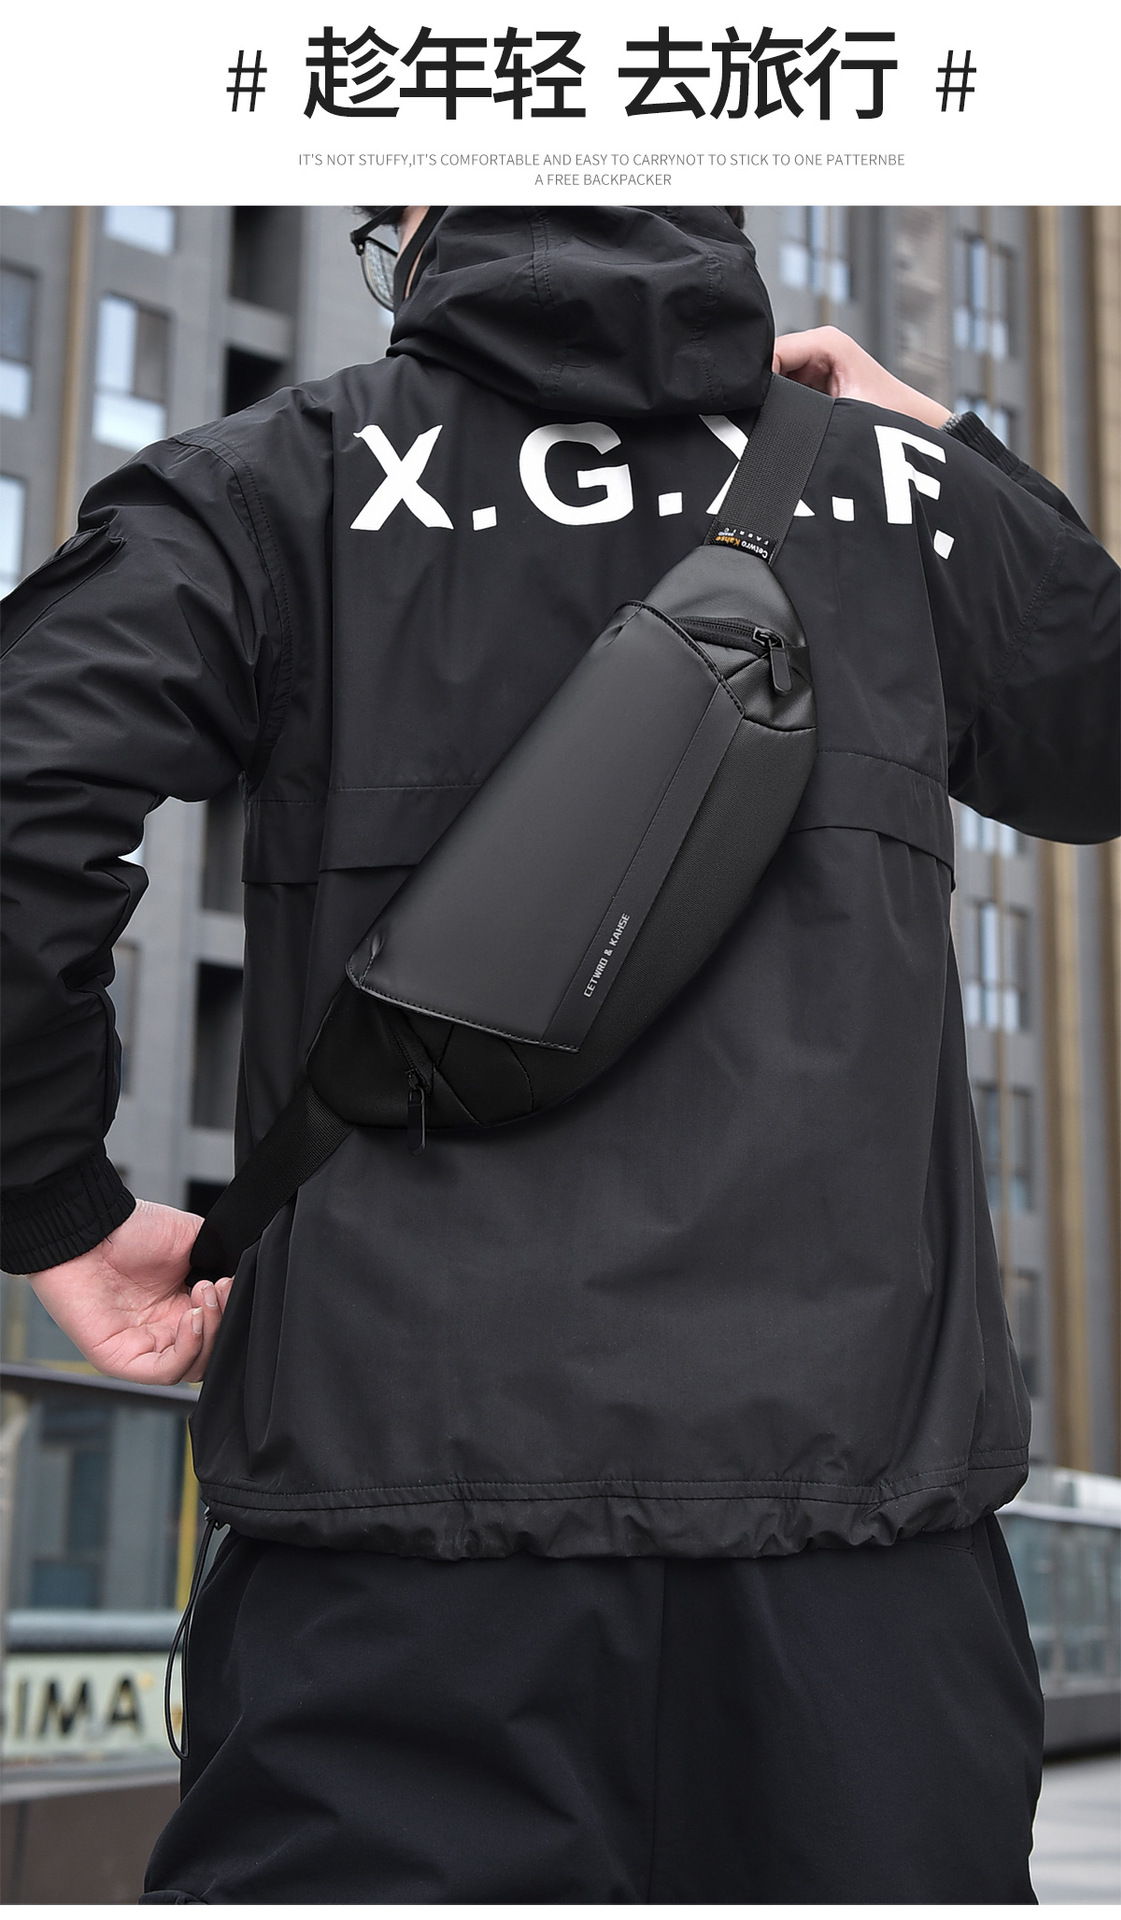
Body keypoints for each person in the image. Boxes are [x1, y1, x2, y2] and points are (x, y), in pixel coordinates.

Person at [2, 206, 1116, 1903]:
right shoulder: (892, 490)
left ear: (422, 217)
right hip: (857, 1572)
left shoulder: (275, 480)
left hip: (395, 1545)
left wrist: (54, 1201)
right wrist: (945, 447)